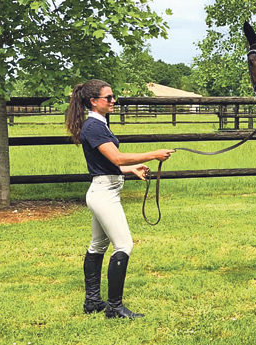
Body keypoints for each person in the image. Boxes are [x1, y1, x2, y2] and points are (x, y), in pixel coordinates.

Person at [65, 79, 174, 319]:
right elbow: (116, 158)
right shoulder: (93, 127)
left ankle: (93, 301)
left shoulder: (100, 125)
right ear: (94, 101)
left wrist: (131, 170)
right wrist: (154, 154)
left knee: (98, 245)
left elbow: (104, 164)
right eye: (109, 98)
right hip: (104, 194)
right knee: (124, 245)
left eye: (113, 97)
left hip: (104, 189)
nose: (114, 101)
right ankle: (114, 307)